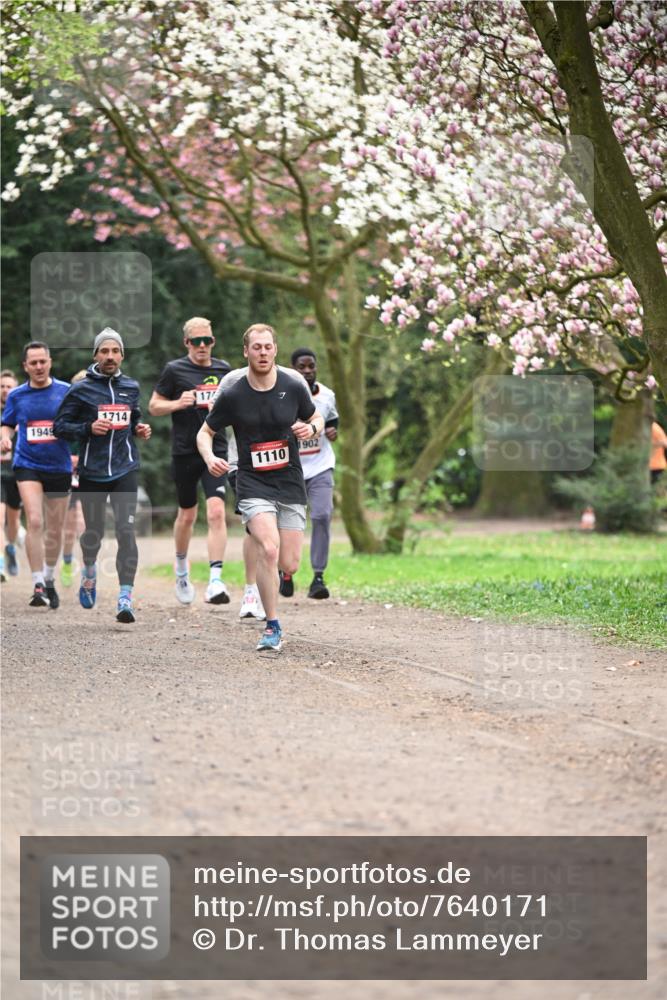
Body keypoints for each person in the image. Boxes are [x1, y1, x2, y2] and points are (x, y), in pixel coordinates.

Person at [196, 323, 323, 651]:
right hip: (252, 480)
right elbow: (205, 431)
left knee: (289, 563)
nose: (262, 352)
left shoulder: (293, 385)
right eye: (256, 347)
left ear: (275, 350)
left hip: (290, 479)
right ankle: (272, 625)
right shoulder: (234, 392)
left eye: (268, 347)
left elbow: (317, 418)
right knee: (268, 547)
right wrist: (210, 457)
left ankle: (280, 578)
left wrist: (311, 430)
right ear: (246, 351)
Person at [53, 329, 151, 623]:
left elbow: (133, 416)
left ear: (122, 355)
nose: (110, 356)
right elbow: (60, 426)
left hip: (125, 469)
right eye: (104, 351)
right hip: (92, 471)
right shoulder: (81, 389)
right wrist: (87, 429)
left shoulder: (131, 387)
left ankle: (125, 597)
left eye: (115, 351)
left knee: (125, 530)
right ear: (95, 355)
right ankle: (90, 570)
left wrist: (139, 428)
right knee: (93, 533)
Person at [149, 318, 232, 605]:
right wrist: (178, 403)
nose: (202, 346)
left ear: (213, 342)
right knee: (187, 515)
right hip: (185, 451)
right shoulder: (175, 370)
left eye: (206, 340)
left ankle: (216, 580)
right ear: (186, 343)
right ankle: (182, 569)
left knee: (217, 512)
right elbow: (154, 406)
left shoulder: (224, 370)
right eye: (196, 341)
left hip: (216, 449)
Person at [0, 343, 71, 607]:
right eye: (33, 363)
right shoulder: (17, 395)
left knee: (55, 528)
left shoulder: (65, 391)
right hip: (27, 463)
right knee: (36, 521)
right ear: (25, 366)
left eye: (43, 361)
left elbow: (77, 422)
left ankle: (50, 578)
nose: (39, 367)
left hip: (59, 466)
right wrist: (5, 438)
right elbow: (6, 424)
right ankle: (38, 583)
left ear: (50, 362)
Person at [287, 347, 339, 600]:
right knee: (286, 522)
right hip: (290, 468)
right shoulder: (283, 395)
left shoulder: (328, 395)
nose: (307, 371)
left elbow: (332, 423)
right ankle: (285, 571)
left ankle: (318, 577)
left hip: (320, 466)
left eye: (311, 366)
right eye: (301, 367)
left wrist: (332, 432)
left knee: (321, 515)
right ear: (293, 369)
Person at [60, 370, 87, 587]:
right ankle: (67, 562)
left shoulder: (98, 410)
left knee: (84, 523)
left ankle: (89, 565)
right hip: (68, 473)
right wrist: (69, 458)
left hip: (89, 472)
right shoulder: (67, 412)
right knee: (69, 527)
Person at [1, 369, 22, 581]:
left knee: (13, 522)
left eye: (9, 386)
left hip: (17, 473)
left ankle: (11, 548)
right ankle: (0, 566)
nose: (5, 390)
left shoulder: (21, 409)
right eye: (2, 386)